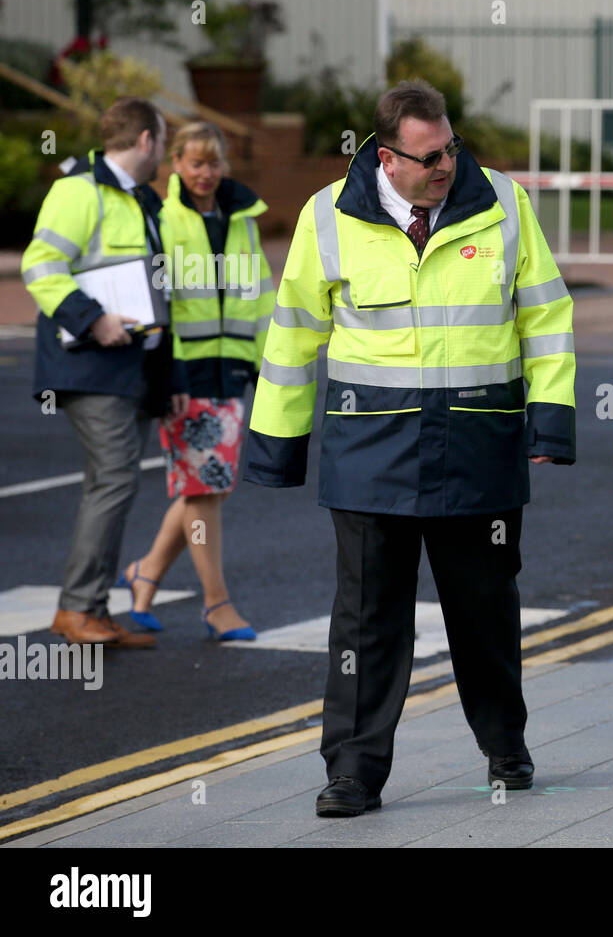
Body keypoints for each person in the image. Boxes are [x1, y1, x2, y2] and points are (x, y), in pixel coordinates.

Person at [244, 80, 576, 817]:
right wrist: (275, 443)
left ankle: (504, 744)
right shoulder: (327, 217)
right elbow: (295, 331)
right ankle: (354, 771)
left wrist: (550, 421)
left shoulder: (505, 205)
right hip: (371, 454)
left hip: (478, 446)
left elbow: (546, 316)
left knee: (485, 609)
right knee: (366, 621)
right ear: (385, 157)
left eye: (451, 148)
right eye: (429, 155)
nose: (445, 165)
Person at [22, 96, 180, 650]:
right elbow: (40, 266)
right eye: (162, 141)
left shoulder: (140, 200)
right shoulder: (79, 189)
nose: (163, 152)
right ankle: (77, 609)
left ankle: (90, 609)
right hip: (92, 362)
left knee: (111, 482)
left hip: (132, 366)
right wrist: (92, 320)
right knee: (114, 478)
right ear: (145, 140)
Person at [115, 121, 273, 641]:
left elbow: (258, 293)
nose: (206, 173)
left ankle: (147, 572)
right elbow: (161, 304)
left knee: (208, 488)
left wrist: (268, 360)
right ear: (175, 163)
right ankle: (216, 604)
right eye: (195, 162)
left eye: (213, 162)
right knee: (204, 489)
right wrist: (172, 371)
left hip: (234, 372)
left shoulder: (242, 218)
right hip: (185, 375)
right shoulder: (163, 219)